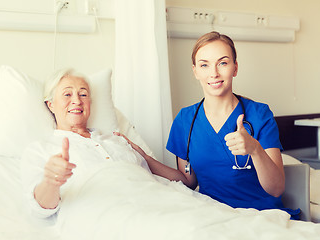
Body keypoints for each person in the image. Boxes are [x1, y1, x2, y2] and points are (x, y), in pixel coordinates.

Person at [124, 31, 300, 219]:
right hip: (214, 216)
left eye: (222, 63)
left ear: (235, 68)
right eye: (204, 65)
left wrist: (255, 149)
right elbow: (188, 180)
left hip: (263, 216)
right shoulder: (185, 121)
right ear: (195, 71)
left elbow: (275, 188)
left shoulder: (259, 115)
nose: (214, 73)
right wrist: (144, 158)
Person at [21, 68, 150, 218]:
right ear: (51, 105)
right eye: (67, 94)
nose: (77, 101)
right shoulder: (40, 149)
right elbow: (40, 209)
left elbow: (174, 180)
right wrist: (51, 182)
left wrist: (146, 158)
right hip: (106, 215)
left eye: (83, 95)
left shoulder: (116, 139)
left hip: (155, 201)